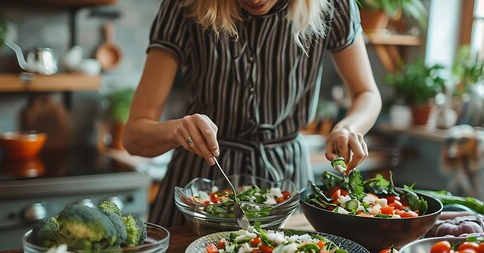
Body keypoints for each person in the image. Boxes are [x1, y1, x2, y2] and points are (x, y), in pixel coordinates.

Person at [124, 0, 382, 227]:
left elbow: (367, 94)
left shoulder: (333, 5)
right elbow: (134, 137)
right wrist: (177, 129)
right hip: (198, 190)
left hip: (287, 185)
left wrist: (349, 127)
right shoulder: (184, 6)